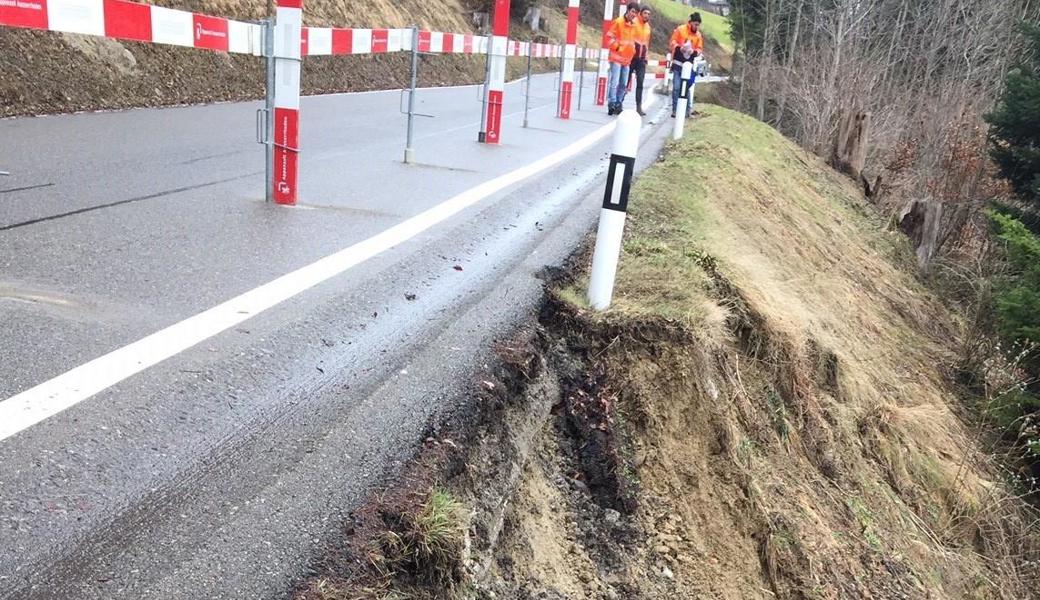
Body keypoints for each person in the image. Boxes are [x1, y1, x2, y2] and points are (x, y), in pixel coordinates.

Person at [605, 3, 640, 116]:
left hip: (627, 59)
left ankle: (619, 103)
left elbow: (632, 42)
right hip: (617, 57)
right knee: (614, 82)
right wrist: (618, 47)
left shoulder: (634, 26)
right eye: (632, 12)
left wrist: (633, 51)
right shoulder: (618, 22)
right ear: (628, 10)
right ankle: (612, 103)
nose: (633, 15)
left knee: (623, 83)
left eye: (636, 13)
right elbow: (609, 37)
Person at [668, 12, 704, 119]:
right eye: (695, 24)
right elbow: (672, 42)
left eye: (698, 25)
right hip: (678, 63)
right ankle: (675, 110)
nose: (696, 27)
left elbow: (700, 49)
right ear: (691, 22)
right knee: (676, 87)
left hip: (689, 66)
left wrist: (694, 52)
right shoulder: (680, 30)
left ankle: (688, 110)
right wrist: (679, 47)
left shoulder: (698, 35)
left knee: (687, 87)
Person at [628, 4, 653, 116]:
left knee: (640, 83)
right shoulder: (634, 22)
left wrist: (646, 57)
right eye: (645, 13)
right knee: (625, 81)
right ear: (640, 13)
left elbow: (647, 43)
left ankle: (638, 106)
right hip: (631, 57)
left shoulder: (648, 27)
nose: (646, 15)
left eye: (648, 14)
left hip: (642, 59)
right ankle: (619, 103)